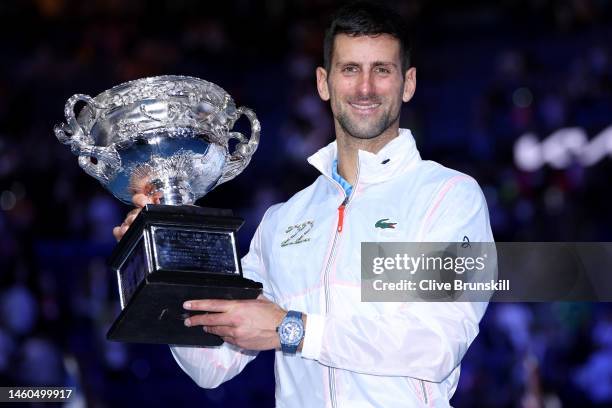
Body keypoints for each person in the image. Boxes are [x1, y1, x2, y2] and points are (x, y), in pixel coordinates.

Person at [114, 1, 494, 406]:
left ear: (408, 82)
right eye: (350, 69)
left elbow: (436, 346)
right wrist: (165, 254)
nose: (365, 88)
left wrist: (291, 329)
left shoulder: (448, 197)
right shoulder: (282, 222)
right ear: (324, 82)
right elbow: (212, 366)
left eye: (381, 70)